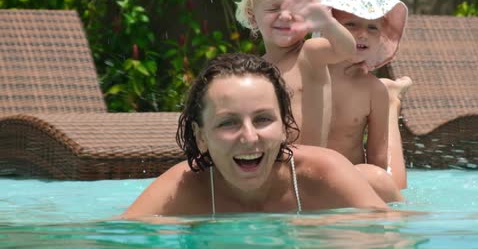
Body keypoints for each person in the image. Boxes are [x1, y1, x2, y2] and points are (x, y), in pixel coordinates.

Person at [122, 53, 399, 218]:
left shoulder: (325, 173)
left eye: (263, 119)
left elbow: (395, 240)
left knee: (379, 182)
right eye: (228, 122)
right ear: (201, 136)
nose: (250, 137)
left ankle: (392, 100)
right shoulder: (181, 189)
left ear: (284, 127)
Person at [235, 0, 356, 148]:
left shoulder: (310, 54)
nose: (285, 16)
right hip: (272, 162)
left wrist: (327, 23)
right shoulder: (256, 70)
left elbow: (347, 50)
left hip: (311, 162)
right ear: (252, 17)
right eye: (274, 9)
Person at [319, 0, 412, 190]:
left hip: (351, 181)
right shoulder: (305, 73)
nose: (363, 34)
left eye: (372, 27)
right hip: (312, 179)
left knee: (393, 187)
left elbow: (379, 164)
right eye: (351, 24)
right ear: (326, 27)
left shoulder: (371, 90)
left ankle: (391, 100)